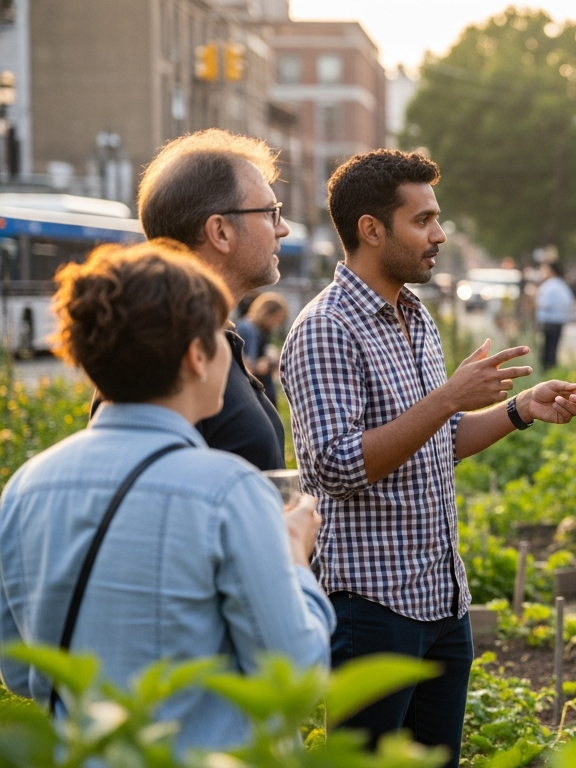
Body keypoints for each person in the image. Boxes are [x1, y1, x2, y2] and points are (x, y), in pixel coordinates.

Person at [280, 149, 576, 766]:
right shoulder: (325, 328)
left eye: (438, 219)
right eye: (423, 220)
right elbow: (335, 467)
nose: (438, 235)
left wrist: (519, 410)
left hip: (440, 599)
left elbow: (437, 440)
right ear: (371, 229)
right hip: (372, 606)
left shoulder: (417, 317)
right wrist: (445, 399)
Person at [0, 241, 332, 753]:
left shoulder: (25, 487)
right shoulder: (227, 490)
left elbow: (21, 671)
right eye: (223, 335)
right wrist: (293, 558)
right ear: (197, 355)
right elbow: (294, 676)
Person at [91, 128, 291, 471]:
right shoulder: (160, 353)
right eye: (270, 211)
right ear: (220, 232)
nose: (282, 227)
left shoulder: (209, 338)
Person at [235, 291, 289, 405]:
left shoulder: (256, 330)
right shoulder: (249, 329)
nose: (276, 324)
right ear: (267, 313)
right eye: (277, 319)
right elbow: (251, 366)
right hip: (255, 397)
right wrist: (269, 361)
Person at [534, 261, 573, 369]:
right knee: (552, 349)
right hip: (558, 321)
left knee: (547, 350)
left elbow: (543, 303)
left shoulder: (550, 286)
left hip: (549, 321)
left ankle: (548, 371)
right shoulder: (561, 284)